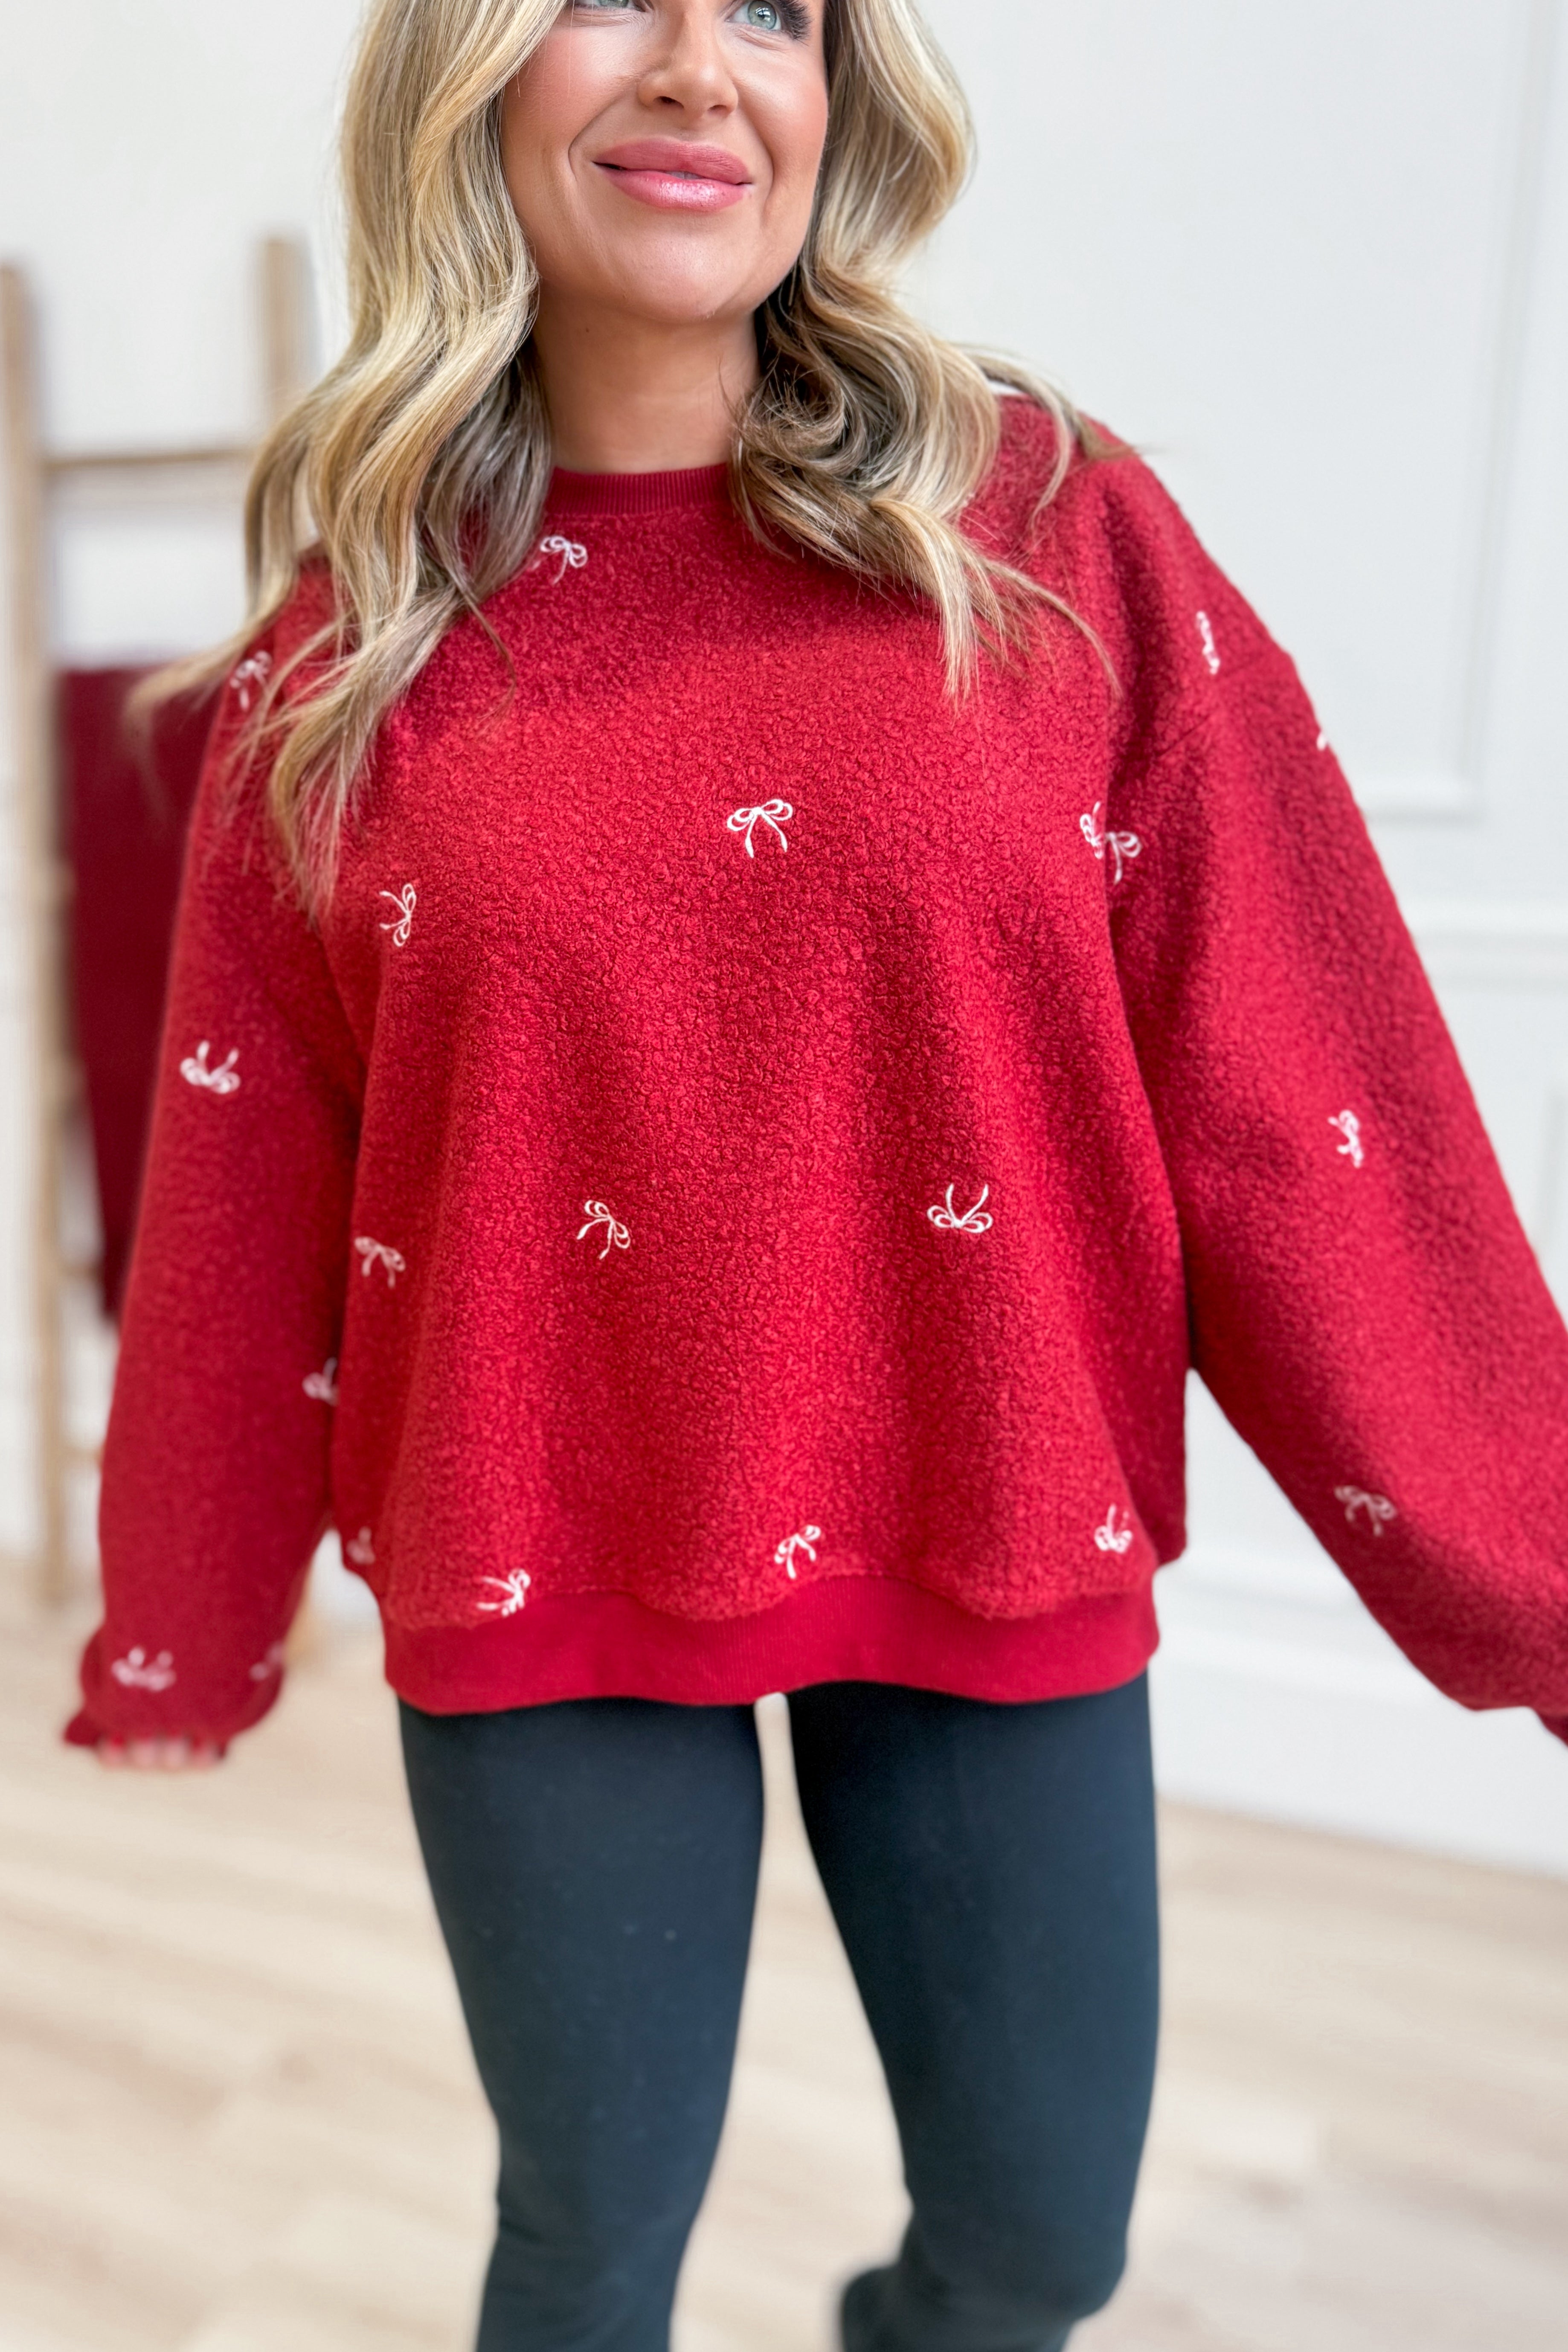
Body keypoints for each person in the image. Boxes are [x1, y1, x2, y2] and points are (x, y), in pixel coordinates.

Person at [67, 1, 1568, 2347]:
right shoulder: (348, 659)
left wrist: (1531, 1555)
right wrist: (189, 1589)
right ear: (468, 74)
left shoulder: (1051, 533)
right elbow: (244, 1179)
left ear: (837, 91)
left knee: (1041, 2247)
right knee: (585, 2249)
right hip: (537, 1517)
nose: (701, 66)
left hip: (991, 1488)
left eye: (772, 10)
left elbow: (1304, 1085)